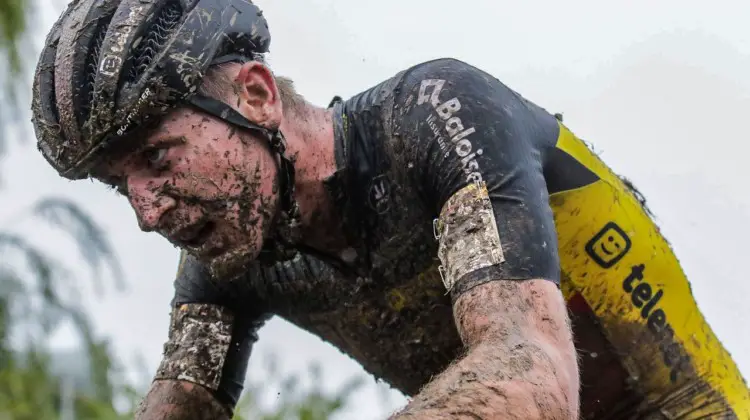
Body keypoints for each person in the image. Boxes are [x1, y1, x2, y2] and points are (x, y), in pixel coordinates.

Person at [31, 0, 749, 419]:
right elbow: (175, 405)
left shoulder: (434, 116)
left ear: (255, 96)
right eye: (120, 185)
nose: (147, 214)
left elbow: (530, 369)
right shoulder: (229, 254)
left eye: (158, 158)